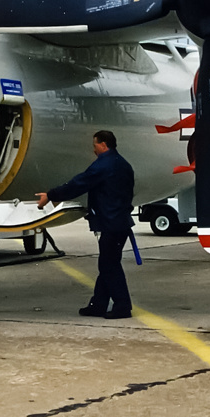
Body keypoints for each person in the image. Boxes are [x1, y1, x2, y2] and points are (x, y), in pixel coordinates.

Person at [37, 130, 135, 319]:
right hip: (119, 222)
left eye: (95, 145)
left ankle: (123, 306)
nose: (94, 150)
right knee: (107, 264)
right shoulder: (123, 164)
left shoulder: (104, 165)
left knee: (109, 265)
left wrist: (51, 195)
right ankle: (98, 304)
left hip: (111, 223)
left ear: (103, 145)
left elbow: (79, 183)